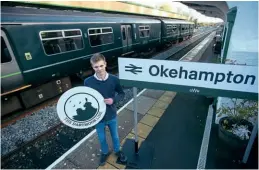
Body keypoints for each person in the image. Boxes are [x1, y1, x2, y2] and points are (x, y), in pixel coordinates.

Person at [84, 53, 127, 166]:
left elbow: (122, 94)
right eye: (96, 67)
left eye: (101, 66)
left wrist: (114, 100)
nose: (99, 69)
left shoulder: (114, 79)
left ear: (105, 64)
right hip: (97, 117)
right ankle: (104, 152)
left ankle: (118, 150)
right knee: (101, 138)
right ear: (92, 67)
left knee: (115, 135)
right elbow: (86, 99)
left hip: (111, 114)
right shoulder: (88, 82)